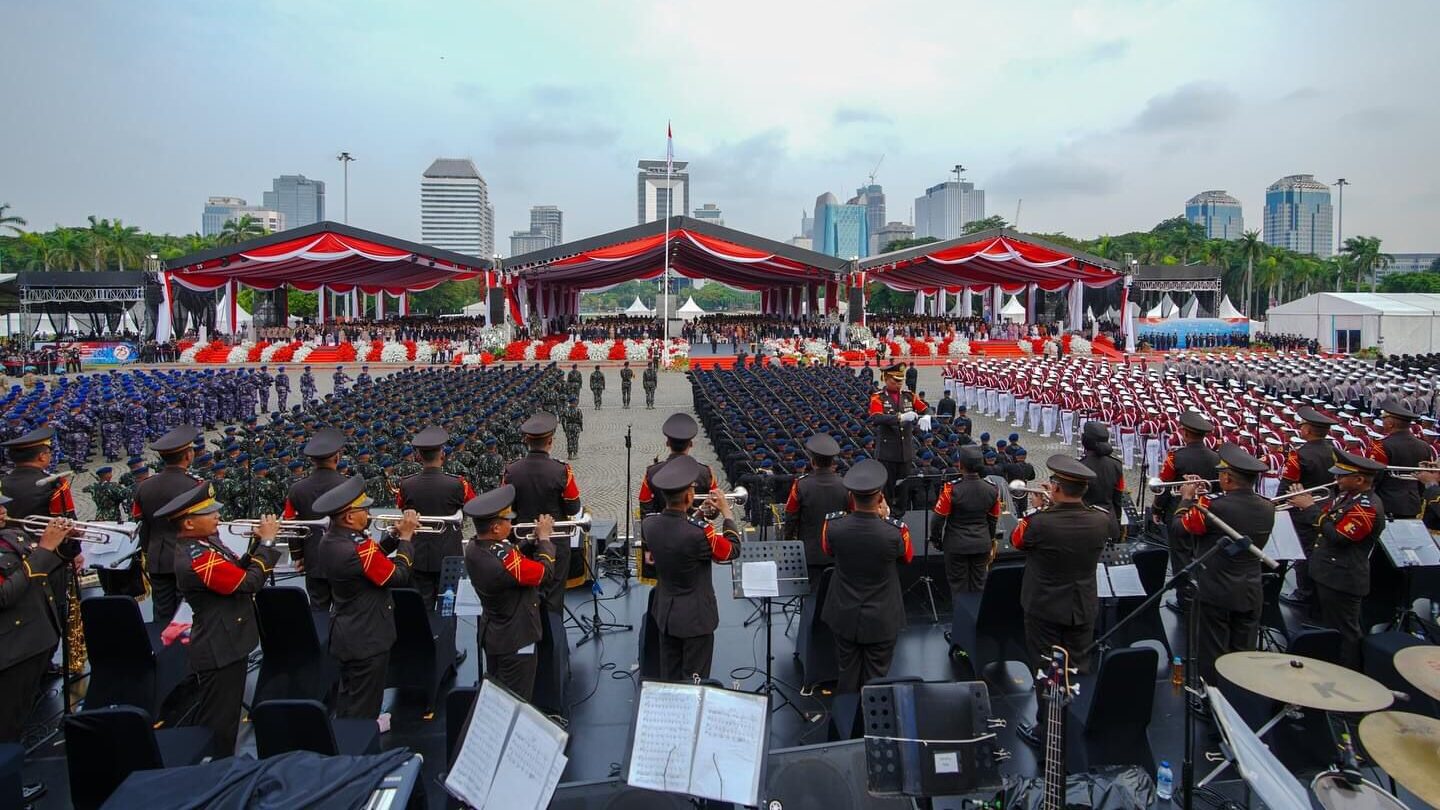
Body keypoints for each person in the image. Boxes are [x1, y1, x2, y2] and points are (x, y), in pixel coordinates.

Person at [159, 482, 281, 757]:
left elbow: (234, 568)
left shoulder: (205, 543)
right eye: (209, 513)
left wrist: (258, 544)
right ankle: (218, 771)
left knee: (227, 714)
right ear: (189, 523)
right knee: (220, 722)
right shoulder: (197, 556)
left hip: (226, 638)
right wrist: (269, 543)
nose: (217, 517)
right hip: (219, 644)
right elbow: (248, 582)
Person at [1012, 455, 1112, 748]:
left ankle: (1048, 731)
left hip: (1044, 606)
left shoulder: (1040, 522)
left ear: (1055, 488)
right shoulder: (1100, 519)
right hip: (1081, 604)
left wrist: (1043, 508)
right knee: (1078, 668)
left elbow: (1019, 541)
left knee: (1046, 670)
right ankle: (1075, 725)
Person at [316, 475, 421, 727]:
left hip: (348, 630)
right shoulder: (357, 548)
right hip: (368, 635)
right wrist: (406, 539)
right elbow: (398, 575)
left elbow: (371, 564)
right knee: (364, 704)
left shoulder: (331, 538)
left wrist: (393, 537)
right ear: (349, 517)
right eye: (363, 509)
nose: (368, 513)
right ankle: (360, 746)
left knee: (350, 694)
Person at [1170, 444, 1275, 685]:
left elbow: (1179, 529)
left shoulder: (1214, 507)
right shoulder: (1268, 506)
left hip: (1216, 588)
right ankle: (1239, 697)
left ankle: (1211, 699)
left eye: (1221, 475)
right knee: (1243, 652)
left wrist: (1187, 499)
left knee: (1212, 649)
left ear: (1227, 477)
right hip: (1250, 588)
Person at [642, 455, 740, 681]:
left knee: (670, 676)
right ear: (689, 495)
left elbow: (678, 529)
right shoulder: (700, 533)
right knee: (695, 679)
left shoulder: (650, 525)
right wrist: (727, 513)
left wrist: (697, 514)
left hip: (666, 613)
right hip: (696, 618)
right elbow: (731, 550)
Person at [1286, 450, 1386, 668]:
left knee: (1344, 633)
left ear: (1359, 480)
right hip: (1330, 573)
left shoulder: (1365, 508)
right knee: (1331, 629)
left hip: (1343, 577)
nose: (1336, 479)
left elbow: (1339, 537)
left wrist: (1310, 508)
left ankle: (1348, 673)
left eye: (1342, 476)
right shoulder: (1348, 497)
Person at [821, 459, 912, 693]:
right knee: (877, 679)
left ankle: (846, 723)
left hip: (843, 610)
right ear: (880, 497)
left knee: (847, 673)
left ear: (851, 497)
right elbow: (907, 558)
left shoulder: (833, 526)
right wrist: (886, 518)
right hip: (882, 615)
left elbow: (828, 551)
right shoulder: (895, 532)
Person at [463, 485, 556, 701]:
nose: (511, 523)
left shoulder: (475, 547)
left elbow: (506, 554)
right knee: (516, 699)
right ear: (495, 528)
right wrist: (544, 540)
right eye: (507, 520)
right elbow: (544, 573)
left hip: (494, 633)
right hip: (516, 638)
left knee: (498, 692)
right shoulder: (504, 563)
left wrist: (528, 541)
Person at [503, 412, 582, 614]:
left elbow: (505, 509)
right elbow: (573, 507)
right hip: (555, 541)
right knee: (554, 594)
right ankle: (553, 637)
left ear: (526, 441)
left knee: (526, 593)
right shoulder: (562, 470)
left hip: (523, 542)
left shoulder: (512, 471)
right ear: (550, 441)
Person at [397, 426, 475, 607]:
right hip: (449, 556)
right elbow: (472, 507)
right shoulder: (458, 484)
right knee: (448, 609)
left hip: (416, 555)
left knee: (420, 610)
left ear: (418, 456)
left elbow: (402, 509)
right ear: (442, 454)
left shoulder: (406, 484)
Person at [131, 425, 202, 626]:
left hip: (157, 557)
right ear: (188, 455)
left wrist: (147, 550)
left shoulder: (144, 487)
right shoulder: (195, 486)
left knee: (162, 613)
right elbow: (200, 523)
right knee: (187, 614)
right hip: (188, 557)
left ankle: (164, 653)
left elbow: (142, 523)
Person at [1152, 411, 1220, 609]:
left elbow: (1164, 487)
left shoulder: (1176, 456)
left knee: (1181, 555)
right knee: (1202, 551)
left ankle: (1185, 597)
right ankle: (1201, 591)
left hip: (1180, 510)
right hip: (1206, 511)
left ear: (1186, 434)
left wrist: (1157, 508)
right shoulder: (1216, 457)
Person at [1278, 406, 1339, 606]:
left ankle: (1304, 592)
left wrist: (1276, 505)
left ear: (1308, 430)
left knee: (1302, 552)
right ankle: (1318, 590)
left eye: (1303, 425)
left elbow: (1288, 485)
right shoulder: (1335, 452)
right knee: (1319, 549)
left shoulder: (1300, 455)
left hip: (1302, 509)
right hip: (1328, 507)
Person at [282, 428, 347, 611]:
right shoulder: (349, 485)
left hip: (313, 557)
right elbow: (362, 523)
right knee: (346, 610)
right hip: (345, 558)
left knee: (318, 610)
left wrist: (298, 555)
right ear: (337, 457)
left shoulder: (296, 489)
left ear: (311, 461)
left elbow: (292, 526)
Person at [930, 446, 1001, 594]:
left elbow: (938, 518)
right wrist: (990, 538)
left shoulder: (951, 489)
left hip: (956, 544)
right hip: (982, 543)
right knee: (980, 586)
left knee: (959, 589)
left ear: (960, 465)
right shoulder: (992, 489)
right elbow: (993, 519)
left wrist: (936, 540)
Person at [782, 433, 849, 588]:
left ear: (812, 462)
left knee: (811, 598)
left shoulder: (800, 485)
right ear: (833, 462)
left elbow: (791, 516)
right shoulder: (845, 484)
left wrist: (788, 541)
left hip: (810, 552)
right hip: (838, 552)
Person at [869, 363, 928, 504]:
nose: (898, 384)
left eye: (900, 381)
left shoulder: (909, 396)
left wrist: (927, 416)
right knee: (887, 489)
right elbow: (876, 418)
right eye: (895, 381)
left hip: (905, 451)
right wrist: (900, 417)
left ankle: (900, 514)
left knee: (904, 489)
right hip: (887, 452)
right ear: (885, 379)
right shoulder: (878, 397)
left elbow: (925, 408)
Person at [638, 413, 719, 516]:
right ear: (691, 444)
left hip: (661, 529)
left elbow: (645, 508)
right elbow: (713, 512)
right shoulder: (706, 473)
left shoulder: (652, 472)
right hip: (697, 530)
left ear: (667, 443)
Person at [1368, 400, 1435, 520]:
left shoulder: (1382, 446)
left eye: (1384, 420)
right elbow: (1424, 477)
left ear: (1390, 424)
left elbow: (1374, 477)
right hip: (1413, 503)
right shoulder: (1424, 446)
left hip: (1386, 503)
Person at [1078, 422, 1126, 536]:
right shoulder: (1116, 465)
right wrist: (1118, 523)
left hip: (1085, 524)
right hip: (1110, 521)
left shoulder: (1079, 466)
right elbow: (1118, 499)